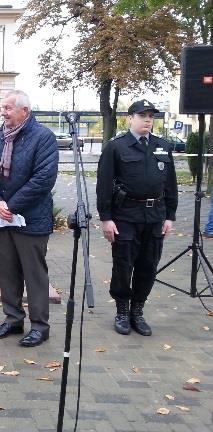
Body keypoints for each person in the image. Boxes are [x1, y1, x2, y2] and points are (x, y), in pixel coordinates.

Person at [0, 89, 58, 347]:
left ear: (24, 111)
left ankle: (40, 326)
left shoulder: (43, 137)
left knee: (34, 274)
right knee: (9, 272)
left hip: (31, 219)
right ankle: (13, 319)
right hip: (5, 219)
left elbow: (43, 179)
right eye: (2, 108)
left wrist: (12, 205)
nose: (2, 112)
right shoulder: (0, 137)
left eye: (7, 108)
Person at [97, 99, 177, 336]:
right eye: (142, 115)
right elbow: (104, 185)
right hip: (126, 216)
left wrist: (169, 215)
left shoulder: (162, 146)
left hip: (155, 216)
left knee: (148, 266)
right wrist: (106, 218)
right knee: (123, 266)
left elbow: (170, 184)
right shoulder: (116, 147)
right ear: (130, 118)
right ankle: (122, 311)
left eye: (150, 116)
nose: (147, 120)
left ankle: (137, 311)